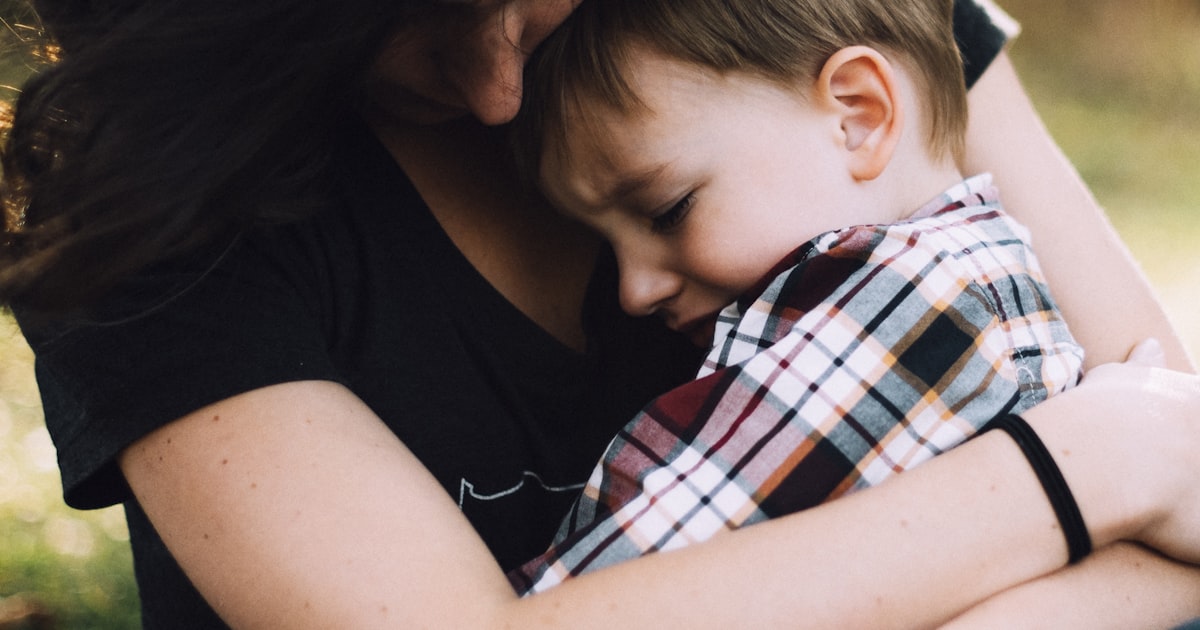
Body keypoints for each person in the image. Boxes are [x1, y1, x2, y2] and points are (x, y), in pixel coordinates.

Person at [0, 0, 1197, 627]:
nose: (497, 91)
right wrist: (1082, 469)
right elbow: (1159, 455)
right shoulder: (147, 205)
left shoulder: (797, 30)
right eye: (399, 22)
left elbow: (1186, 528)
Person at [507, 0, 1086, 593]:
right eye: (606, 246)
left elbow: (615, 590)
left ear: (858, 117)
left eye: (668, 210)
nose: (633, 291)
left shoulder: (911, 307)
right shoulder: (969, 276)